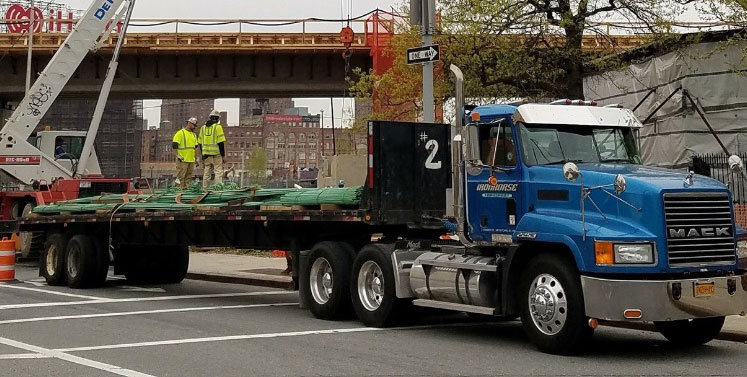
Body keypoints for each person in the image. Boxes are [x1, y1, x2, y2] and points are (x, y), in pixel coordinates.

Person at [197, 110, 226, 189]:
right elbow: (221, 143)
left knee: (207, 172)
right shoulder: (218, 127)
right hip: (216, 154)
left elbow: (199, 142)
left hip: (206, 155)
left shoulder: (203, 128)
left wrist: (202, 154)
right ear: (217, 119)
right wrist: (223, 156)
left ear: (210, 117)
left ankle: (205, 188)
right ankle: (218, 188)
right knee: (218, 172)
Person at [172, 117, 199, 189]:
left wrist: (196, 159)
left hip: (191, 160)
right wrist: (177, 156)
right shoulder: (180, 133)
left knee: (188, 177)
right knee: (181, 177)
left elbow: (195, 147)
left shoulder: (193, 135)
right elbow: (174, 146)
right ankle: (179, 192)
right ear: (189, 123)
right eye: (194, 125)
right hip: (182, 160)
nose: (194, 127)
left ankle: (186, 191)